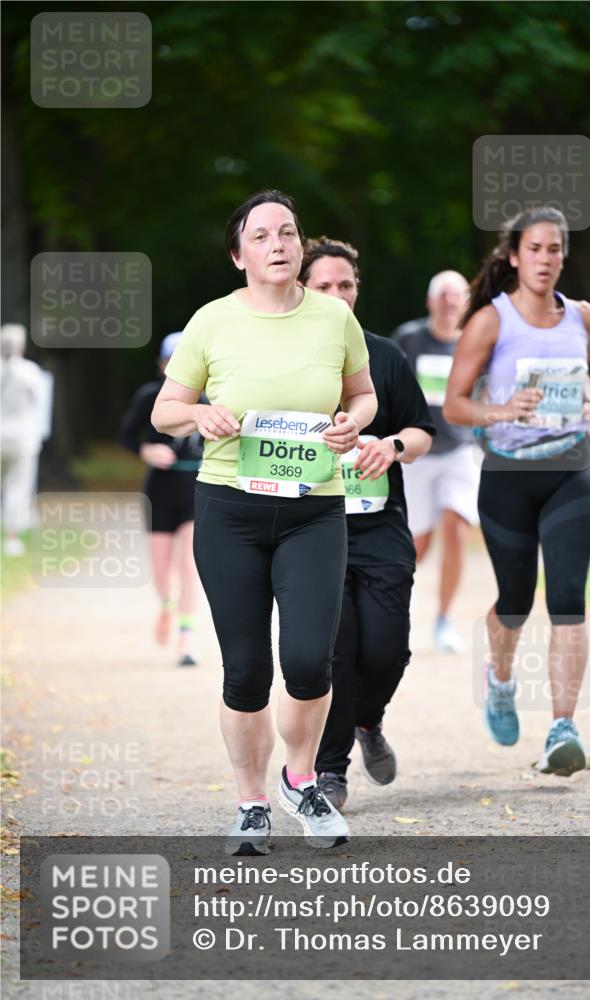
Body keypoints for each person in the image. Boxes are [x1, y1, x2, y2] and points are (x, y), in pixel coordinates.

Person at [151, 191, 377, 852]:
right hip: (230, 509)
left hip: (313, 511)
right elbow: (165, 409)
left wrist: (351, 423)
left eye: (288, 232)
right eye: (261, 235)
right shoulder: (211, 322)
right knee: (245, 670)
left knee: (309, 660)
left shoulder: (333, 317)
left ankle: (300, 779)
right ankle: (249, 803)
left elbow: (362, 395)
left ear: (301, 246)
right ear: (238, 253)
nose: (277, 244)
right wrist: (199, 415)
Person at [444, 206, 590, 776]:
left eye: (555, 250)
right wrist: (501, 410)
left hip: (572, 469)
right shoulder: (490, 323)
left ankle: (563, 728)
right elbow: (454, 404)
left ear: (564, 257)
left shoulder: (583, 317)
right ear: (514, 256)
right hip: (508, 478)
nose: (546, 260)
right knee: (515, 604)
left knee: (568, 600)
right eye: (535, 250)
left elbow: (580, 385)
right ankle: (500, 680)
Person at [300, 237, 435, 809]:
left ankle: (369, 720)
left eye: (346, 285)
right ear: (302, 287)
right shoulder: (282, 358)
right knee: (335, 651)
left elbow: (425, 431)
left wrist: (395, 445)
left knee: (386, 650)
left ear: (358, 289)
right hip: (310, 526)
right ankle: (330, 771)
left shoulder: (385, 356)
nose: (338, 295)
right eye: (325, 286)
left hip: (379, 527)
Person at [392, 271, 481, 653]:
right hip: (418, 453)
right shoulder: (409, 338)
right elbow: (388, 385)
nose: (450, 302)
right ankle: (397, 610)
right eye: (443, 295)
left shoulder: (474, 343)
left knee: (456, 524)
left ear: (466, 302)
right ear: (430, 301)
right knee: (418, 544)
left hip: (460, 451)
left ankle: (444, 619)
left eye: (457, 295)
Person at [119, 332, 202, 667]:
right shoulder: (150, 396)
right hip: (160, 489)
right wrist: (146, 450)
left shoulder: (208, 399)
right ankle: (167, 605)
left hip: (195, 488)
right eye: (171, 362)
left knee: (188, 566)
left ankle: (185, 641)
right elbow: (125, 434)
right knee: (161, 569)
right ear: (162, 364)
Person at [0, 323, 50, 557]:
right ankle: (11, 537)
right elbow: (40, 403)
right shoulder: (29, 371)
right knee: (16, 487)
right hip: (21, 436)